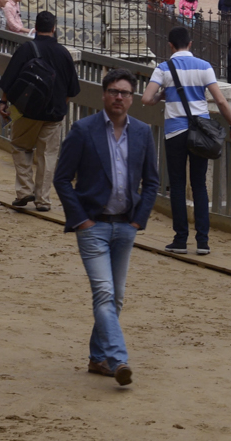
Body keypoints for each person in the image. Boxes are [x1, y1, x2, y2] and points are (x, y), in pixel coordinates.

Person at [53, 68, 159, 386]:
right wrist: (81, 220)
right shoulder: (83, 130)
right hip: (93, 226)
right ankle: (118, 358)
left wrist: (139, 219)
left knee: (117, 297)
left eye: (125, 93)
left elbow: (152, 181)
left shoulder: (142, 132)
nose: (119, 97)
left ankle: (98, 358)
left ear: (132, 98)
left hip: (126, 225)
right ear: (103, 95)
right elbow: (61, 178)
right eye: (113, 91)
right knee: (104, 293)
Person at [143, 26, 231, 255]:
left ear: (170, 45)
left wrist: (162, 95)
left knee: (177, 185)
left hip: (175, 132)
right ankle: (203, 241)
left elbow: (147, 99)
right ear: (190, 44)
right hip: (200, 131)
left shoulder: (163, 68)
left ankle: (180, 239)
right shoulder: (204, 66)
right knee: (199, 184)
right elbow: (221, 101)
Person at [0, 10, 80, 213]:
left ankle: (25, 190)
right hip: (54, 114)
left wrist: (3, 102)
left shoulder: (27, 48)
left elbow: (9, 79)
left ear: (36, 27)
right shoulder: (63, 53)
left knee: (20, 146)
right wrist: (59, 106)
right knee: (48, 155)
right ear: (54, 28)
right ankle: (43, 200)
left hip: (26, 111)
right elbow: (72, 90)